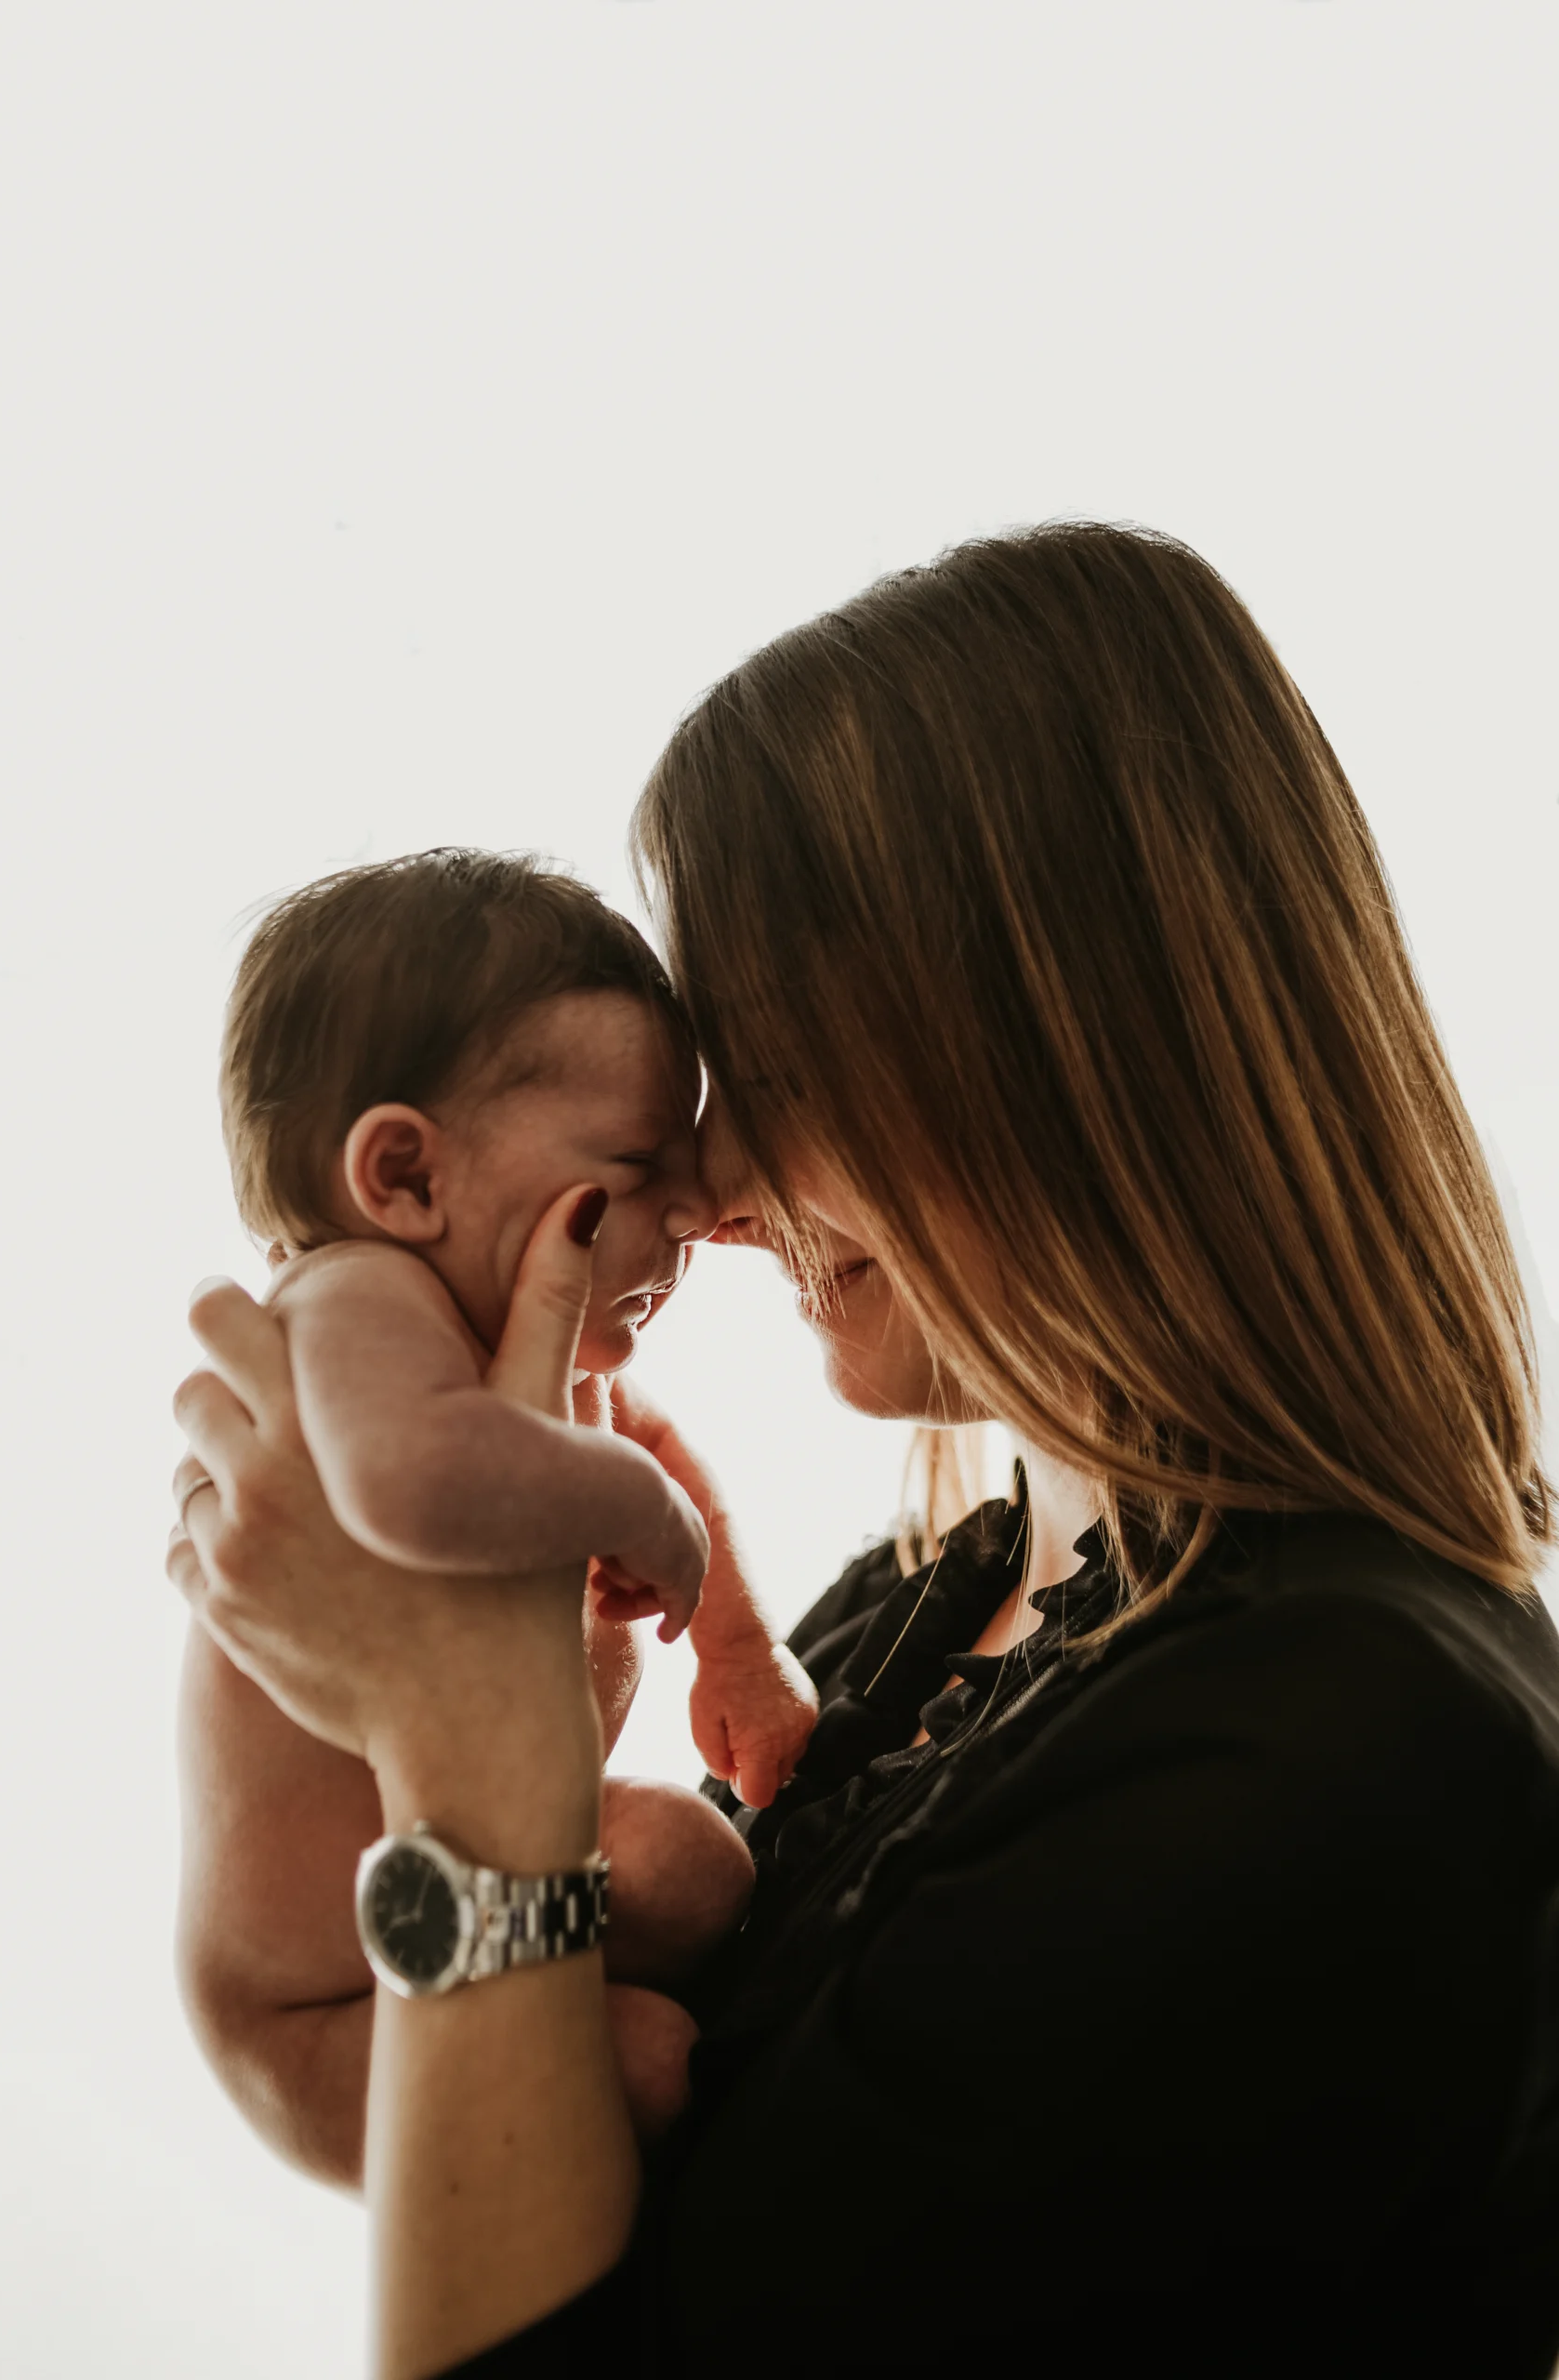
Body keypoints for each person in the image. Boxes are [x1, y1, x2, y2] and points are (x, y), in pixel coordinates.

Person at [169, 522, 1559, 2379]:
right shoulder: (937, 1600)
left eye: (767, 1063)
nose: (716, 1188)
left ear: (1040, 1047)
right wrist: (527, 1732)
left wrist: (468, 1757)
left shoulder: (1331, 1737)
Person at [178, 848, 814, 2167]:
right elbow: (414, 1481)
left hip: (477, 1887)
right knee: (647, 2055)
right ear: (406, 1178)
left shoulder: (511, 1364)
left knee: (693, 1876)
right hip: (323, 2006)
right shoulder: (351, 1299)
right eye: (637, 1162)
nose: (694, 1208)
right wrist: (640, 1512)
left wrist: (738, 1651)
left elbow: (653, 1453)